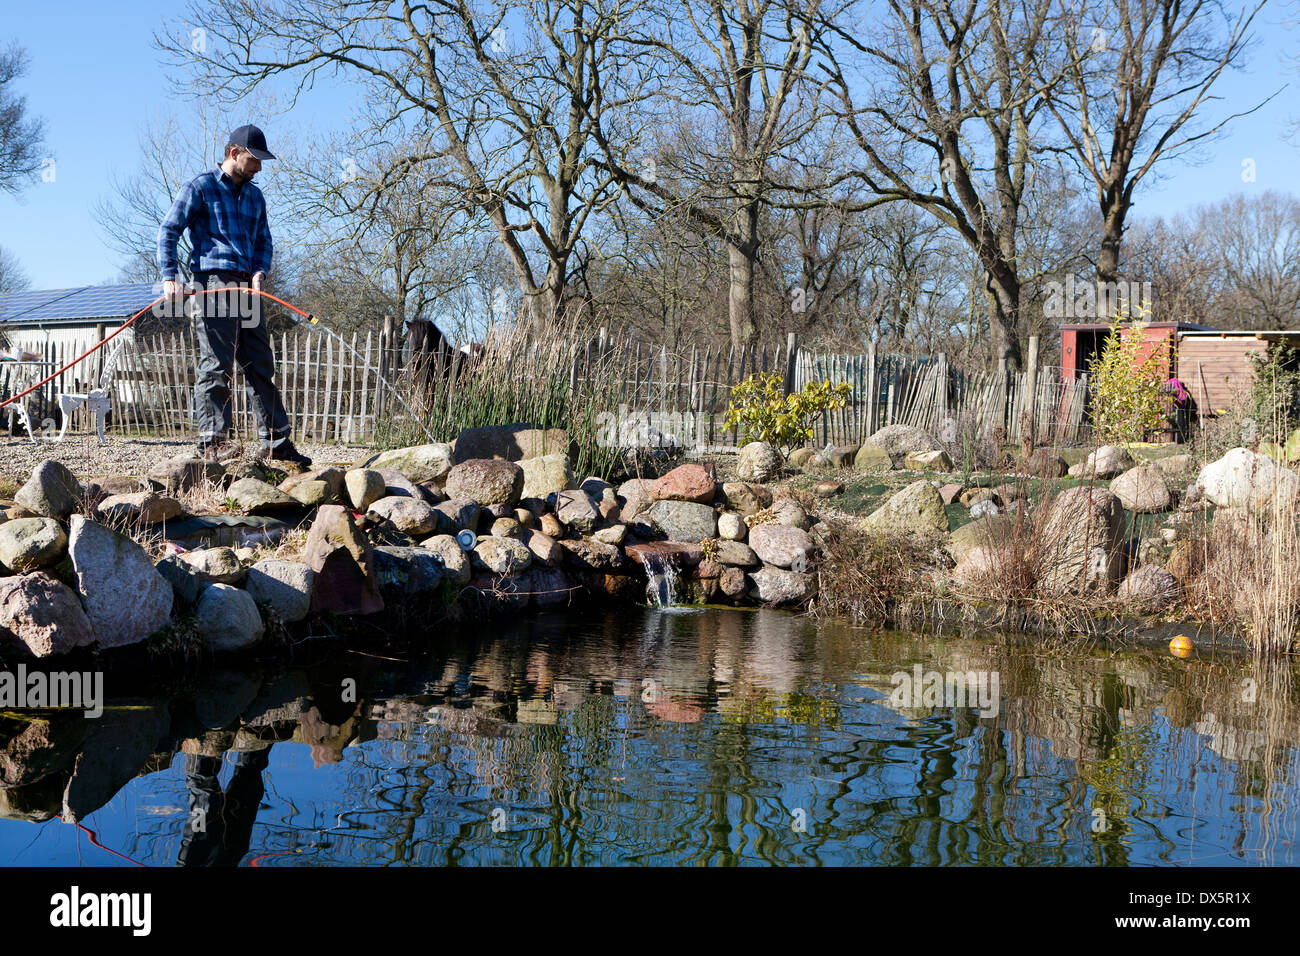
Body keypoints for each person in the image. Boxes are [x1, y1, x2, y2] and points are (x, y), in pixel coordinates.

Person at [157, 124, 311, 467]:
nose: (259, 167)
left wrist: (260, 271)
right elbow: (169, 230)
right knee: (216, 365)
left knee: (260, 365)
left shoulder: (256, 197)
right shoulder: (200, 187)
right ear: (233, 153)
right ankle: (212, 442)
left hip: (247, 288)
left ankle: (276, 442)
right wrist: (170, 276)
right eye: (254, 159)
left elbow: (264, 242)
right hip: (212, 285)